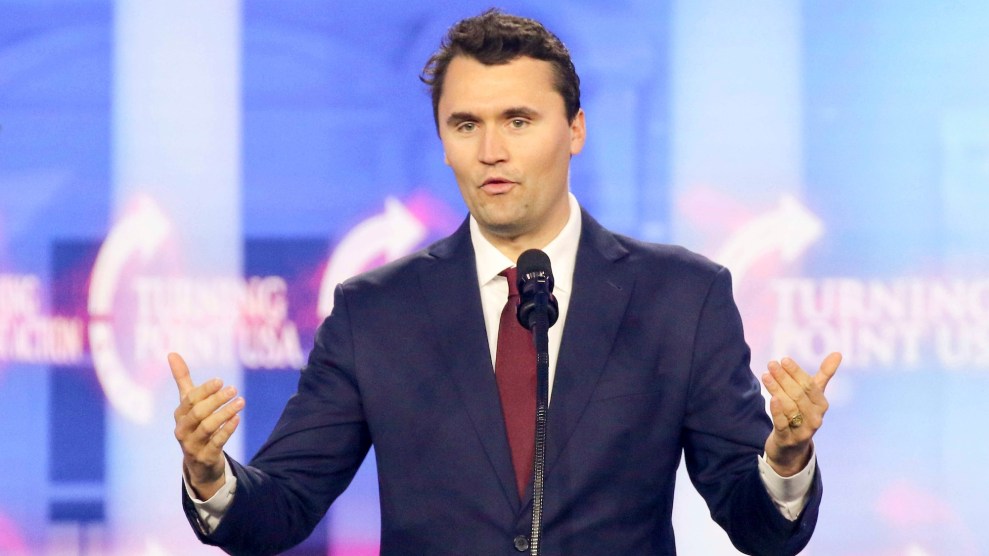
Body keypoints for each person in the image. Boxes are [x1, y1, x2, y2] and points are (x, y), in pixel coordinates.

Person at [171, 9, 841, 555]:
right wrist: (212, 477)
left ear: (573, 129)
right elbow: (283, 506)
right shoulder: (373, 313)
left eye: (518, 121)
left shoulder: (679, 298)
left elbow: (758, 528)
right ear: (442, 140)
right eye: (466, 125)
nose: (491, 150)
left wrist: (783, 459)